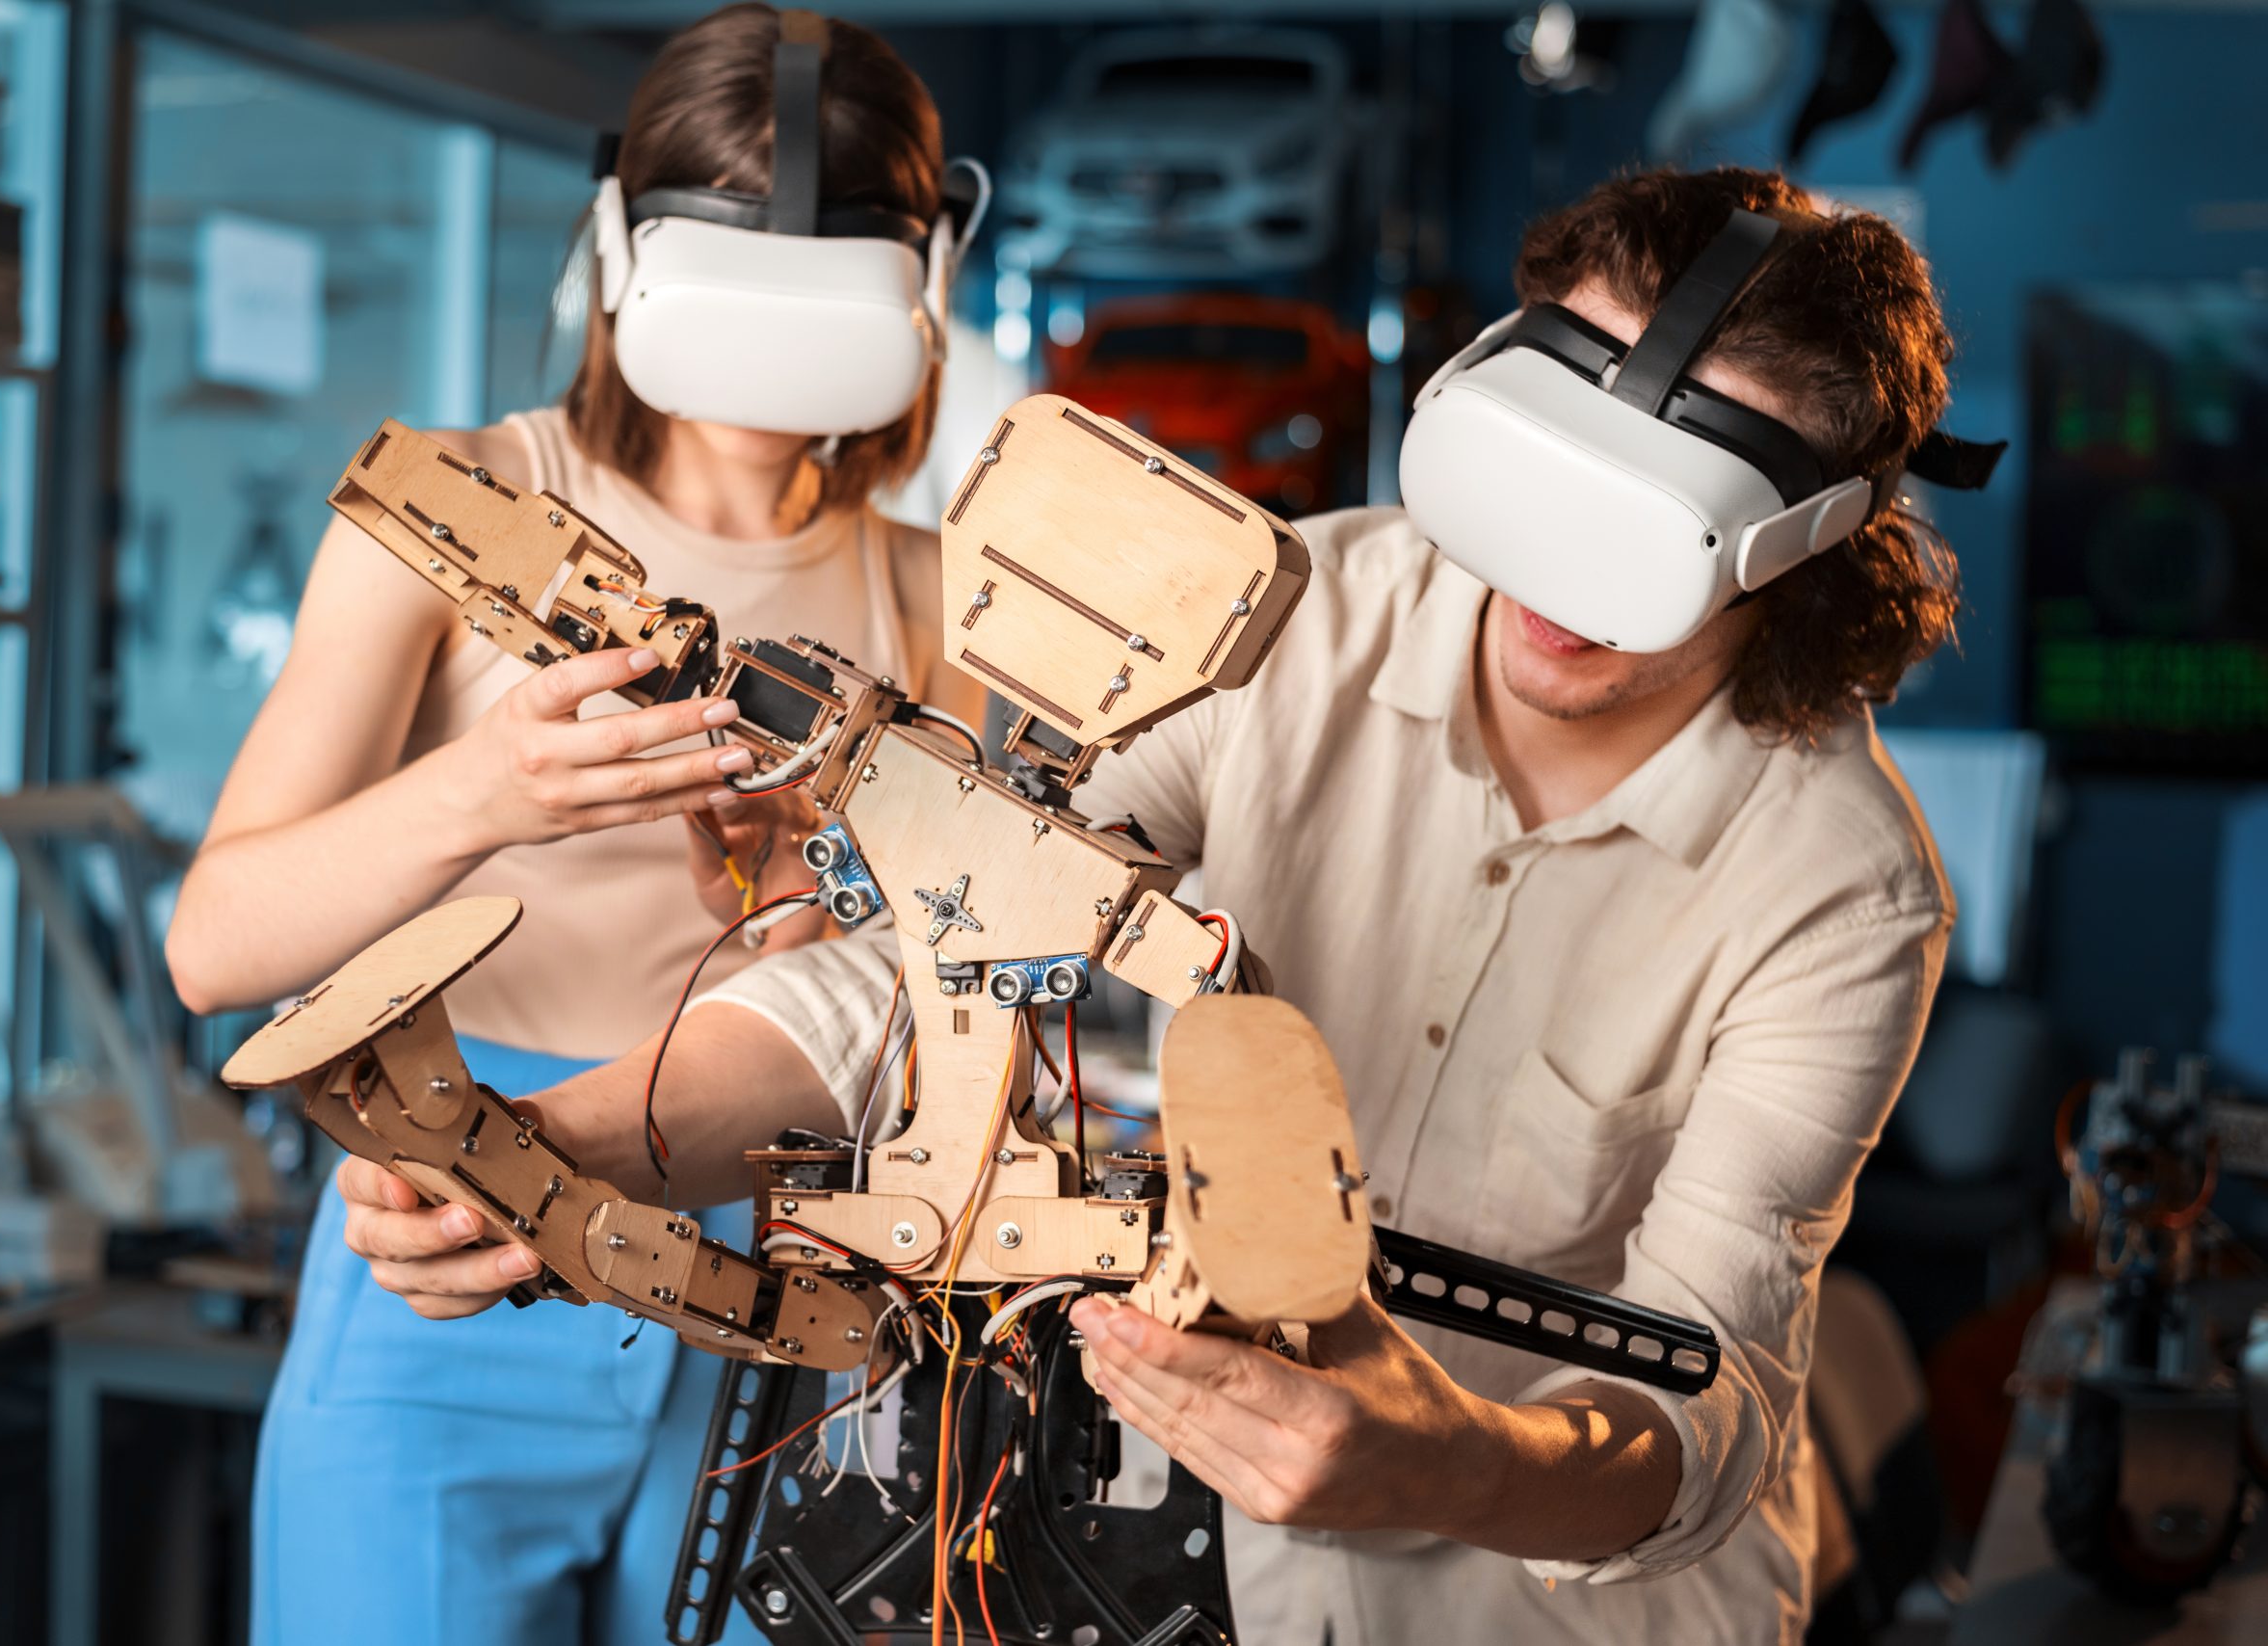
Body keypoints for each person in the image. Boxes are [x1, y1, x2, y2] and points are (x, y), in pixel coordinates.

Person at [336, 166, 1966, 1645]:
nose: (1552, 587)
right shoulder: (1269, 618)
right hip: (1172, 1582)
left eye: (1644, 544)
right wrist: (575, 1145)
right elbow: (952, 947)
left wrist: (1448, 1460)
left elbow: (1712, 1380)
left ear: (1797, 551)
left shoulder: (1842, 888)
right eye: (1543, 491)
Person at [165, 8, 982, 1642]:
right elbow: (212, 948)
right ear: (622, 251)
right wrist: (489, 791)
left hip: (784, 1242)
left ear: (922, 279)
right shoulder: (459, 507)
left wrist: (799, 903)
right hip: (454, 1222)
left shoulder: (933, 591)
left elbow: (940, 983)